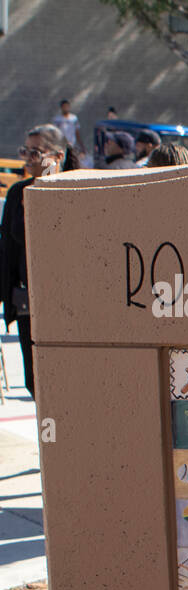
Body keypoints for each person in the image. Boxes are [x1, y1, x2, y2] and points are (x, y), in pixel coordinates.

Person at [2, 125, 78, 398]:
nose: (28, 158)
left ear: (58, 156)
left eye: (36, 152)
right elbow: (8, 248)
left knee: (65, 381)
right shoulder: (17, 193)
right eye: (25, 151)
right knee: (35, 382)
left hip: (67, 301)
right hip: (27, 300)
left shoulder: (74, 189)